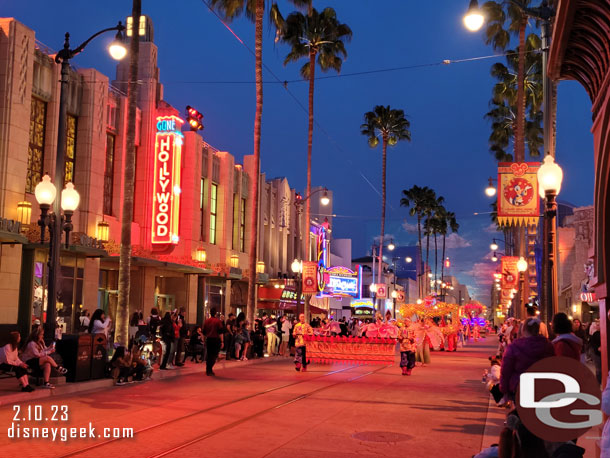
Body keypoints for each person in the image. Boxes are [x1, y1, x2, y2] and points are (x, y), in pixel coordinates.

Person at [500, 318, 555, 401]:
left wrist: (504, 390)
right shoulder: (548, 346)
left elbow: (506, 370)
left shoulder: (515, 346)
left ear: (523, 330)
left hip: (520, 386)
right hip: (543, 386)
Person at [202, 308, 224, 376]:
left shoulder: (206, 321)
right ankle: (210, 369)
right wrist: (222, 341)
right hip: (215, 339)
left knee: (209, 354)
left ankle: (208, 369)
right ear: (215, 313)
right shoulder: (218, 321)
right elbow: (220, 332)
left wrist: (204, 340)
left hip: (209, 339)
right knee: (214, 355)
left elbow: (204, 332)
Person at [590, 320, 602, 384]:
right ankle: (598, 384)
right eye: (596, 325)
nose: (596, 326)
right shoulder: (595, 334)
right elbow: (592, 344)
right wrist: (598, 348)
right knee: (598, 370)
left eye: (598, 325)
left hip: (605, 354)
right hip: (597, 354)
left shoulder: (605, 332)